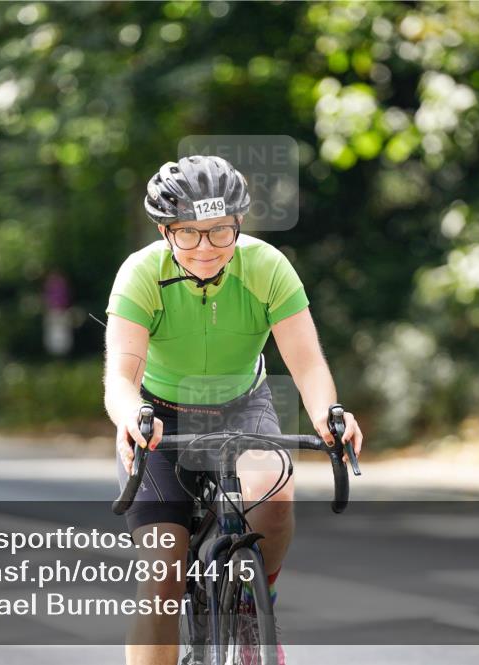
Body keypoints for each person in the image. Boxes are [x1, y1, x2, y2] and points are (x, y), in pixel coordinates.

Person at [103, 155, 363, 665]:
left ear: (238, 225)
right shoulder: (140, 274)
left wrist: (329, 414)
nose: (206, 248)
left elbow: (307, 362)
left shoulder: (265, 267)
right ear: (165, 230)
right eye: (189, 234)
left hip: (242, 406)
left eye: (220, 232)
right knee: (162, 572)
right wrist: (133, 415)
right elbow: (120, 376)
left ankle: (253, 601)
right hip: (159, 416)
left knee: (275, 492)